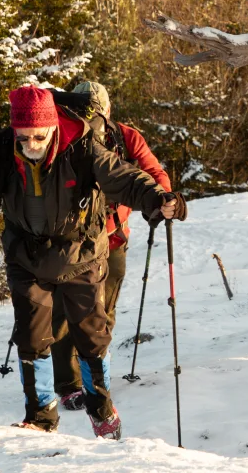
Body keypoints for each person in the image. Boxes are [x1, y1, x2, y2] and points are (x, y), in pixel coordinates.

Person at [0, 85, 187, 438]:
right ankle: (40, 418)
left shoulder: (83, 148)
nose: (31, 145)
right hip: (26, 256)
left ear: (52, 127)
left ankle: (101, 407)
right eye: (24, 137)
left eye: (38, 136)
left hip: (81, 254)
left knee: (92, 337)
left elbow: (125, 178)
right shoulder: (2, 149)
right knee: (31, 340)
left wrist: (160, 199)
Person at [52, 81, 172, 411]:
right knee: (63, 312)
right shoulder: (60, 134)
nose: (93, 118)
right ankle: (68, 384)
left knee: (102, 311)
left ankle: (96, 378)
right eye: (85, 111)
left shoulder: (126, 137)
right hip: (69, 237)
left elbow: (152, 171)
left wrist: (163, 196)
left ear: (107, 111)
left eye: (97, 112)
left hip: (112, 236)